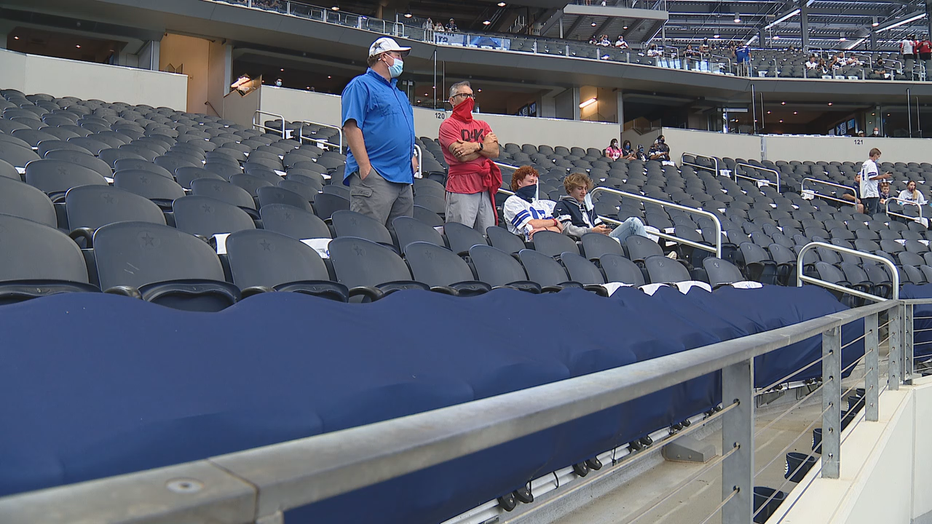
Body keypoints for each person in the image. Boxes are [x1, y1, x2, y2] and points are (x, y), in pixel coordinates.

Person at [341, 37, 417, 228]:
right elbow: (351, 126)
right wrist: (365, 168)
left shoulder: (399, 93)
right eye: (398, 55)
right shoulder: (361, 85)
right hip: (376, 175)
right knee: (368, 239)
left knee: (398, 241)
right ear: (384, 57)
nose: (401, 60)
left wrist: (412, 155)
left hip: (403, 178)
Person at [438, 81, 501, 232]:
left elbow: (495, 152)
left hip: (483, 188)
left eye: (471, 95)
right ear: (452, 100)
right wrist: (484, 146)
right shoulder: (448, 125)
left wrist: (475, 146)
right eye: (463, 95)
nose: (469, 99)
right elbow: (462, 156)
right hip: (461, 187)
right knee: (461, 235)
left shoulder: (483, 124)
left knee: (487, 234)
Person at [553, 173, 652, 246]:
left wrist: (605, 229)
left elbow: (597, 223)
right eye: (580, 189)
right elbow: (566, 229)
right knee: (633, 222)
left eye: (585, 189)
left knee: (634, 223)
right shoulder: (562, 205)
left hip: (600, 238)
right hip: (587, 243)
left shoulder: (587, 205)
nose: (584, 192)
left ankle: (648, 256)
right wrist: (591, 231)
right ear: (570, 189)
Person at [503, 166, 561, 240]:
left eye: (535, 182)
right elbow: (532, 224)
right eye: (531, 181)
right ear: (519, 183)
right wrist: (555, 222)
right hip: (525, 244)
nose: (534, 185)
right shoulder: (512, 202)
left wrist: (544, 229)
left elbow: (558, 229)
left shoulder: (540, 204)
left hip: (548, 240)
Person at [859, 147, 892, 215]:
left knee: (878, 209)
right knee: (873, 211)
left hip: (866, 190)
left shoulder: (865, 163)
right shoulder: (871, 164)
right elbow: (872, 177)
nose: (878, 158)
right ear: (875, 155)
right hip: (871, 192)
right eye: (878, 156)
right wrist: (884, 176)